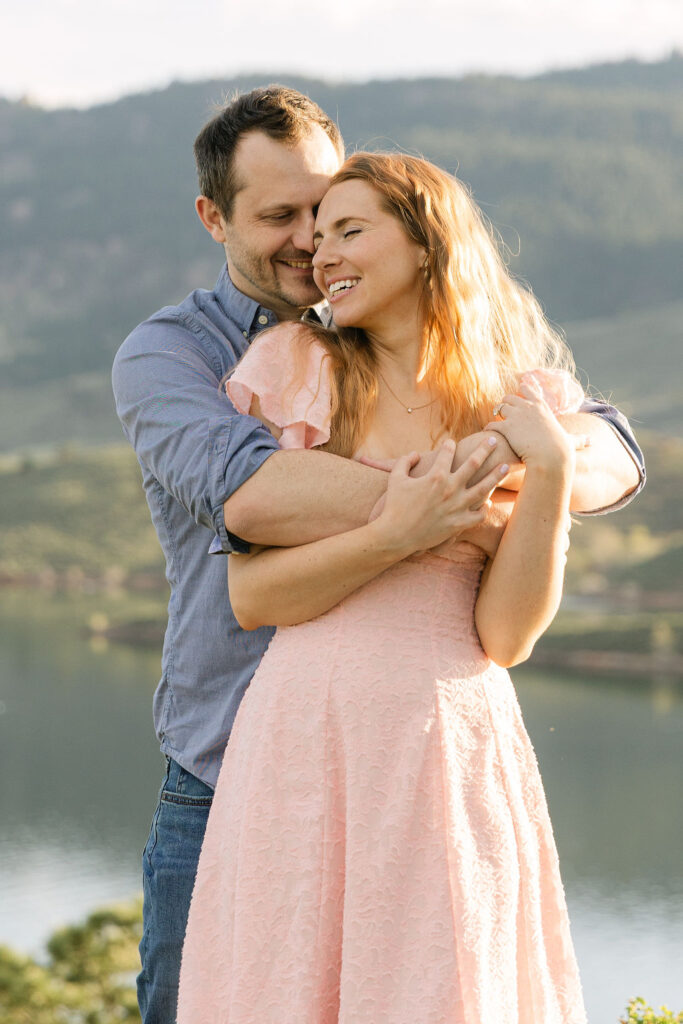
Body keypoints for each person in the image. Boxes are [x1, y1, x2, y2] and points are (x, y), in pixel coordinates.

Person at [112, 87, 644, 1022]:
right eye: (284, 218)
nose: (312, 244)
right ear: (214, 218)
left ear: (418, 234)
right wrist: (455, 510)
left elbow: (611, 450)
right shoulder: (189, 357)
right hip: (232, 767)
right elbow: (254, 498)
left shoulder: (497, 386)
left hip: (432, 758)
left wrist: (545, 460)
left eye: (331, 216)